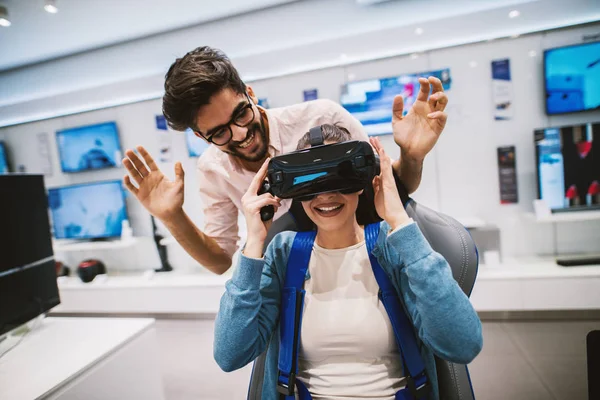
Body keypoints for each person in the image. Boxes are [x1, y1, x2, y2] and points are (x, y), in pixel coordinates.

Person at [122, 46, 449, 274]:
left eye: (240, 114)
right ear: (200, 137)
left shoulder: (322, 117)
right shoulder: (213, 169)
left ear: (250, 92)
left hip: (373, 256)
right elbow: (221, 261)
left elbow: (394, 188)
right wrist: (172, 217)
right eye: (219, 133)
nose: (239, 135)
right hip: (296, 280)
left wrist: (412, 155)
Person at [213, 125, 482, 400]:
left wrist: (400, 221)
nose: (325, 195)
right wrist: (255, 242)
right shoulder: (284, 254)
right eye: (311, 183)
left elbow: (463, 344)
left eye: (339, 178)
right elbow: (230, 354)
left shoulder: (392, 246)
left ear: (363, 182)